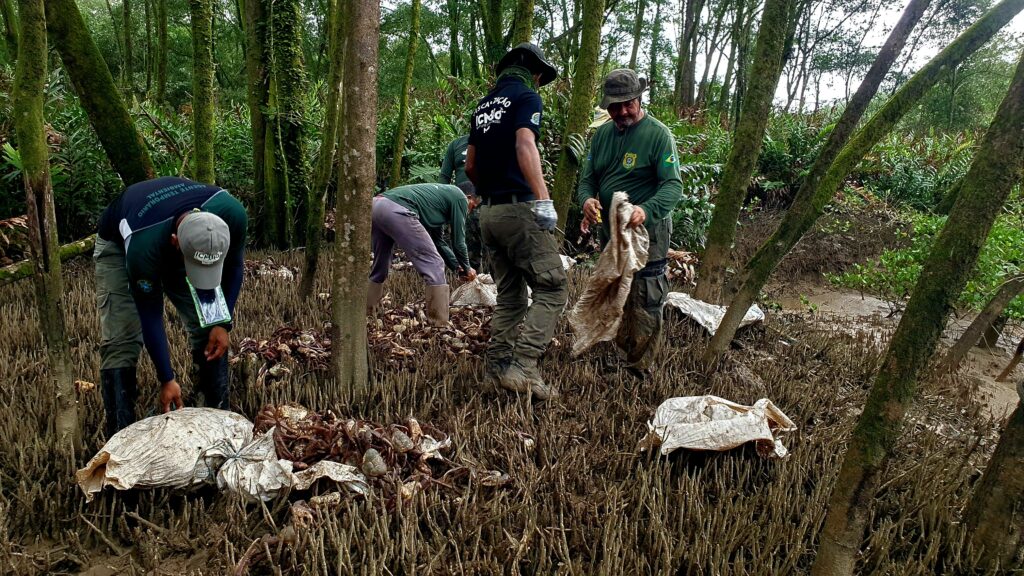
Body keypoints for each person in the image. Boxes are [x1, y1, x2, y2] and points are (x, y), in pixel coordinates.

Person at [94, 176, 248, 437]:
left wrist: (223, 323)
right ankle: (121, 436)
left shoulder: (232, 215)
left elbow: (234, 266)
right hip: (122, 246)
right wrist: (167, 378)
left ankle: (215, 417)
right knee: (121, 339)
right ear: (176, 242)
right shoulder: (143, 246)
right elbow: (150, 314)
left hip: (183, 239)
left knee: (208, 324)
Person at [466, 42, 566, 401]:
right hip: (520, 209)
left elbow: (470, 166)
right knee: (553, 288)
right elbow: (526, 145)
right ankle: (523, 367)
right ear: (534, 73)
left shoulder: (482, 107)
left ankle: (496, 368)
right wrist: (542, 198)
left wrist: (489, 193)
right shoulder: (526, 98)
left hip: (489, 213)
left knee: (510, 296)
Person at [577, 69, 683, 376]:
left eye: (628, 104)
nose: (622, 111)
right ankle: (623, 352)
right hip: (613, 235)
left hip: (647, 234)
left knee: (646, 298)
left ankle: (640, 367)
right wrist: (586, 200)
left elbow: (672, 185)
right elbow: (588, 180)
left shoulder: (658, 134)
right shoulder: (602, 136)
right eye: (615, 105)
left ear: (639, 100)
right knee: (617, 294)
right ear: (607, 107)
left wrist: (645, 210)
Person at [367, 182, 479, 325]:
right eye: (473, 205)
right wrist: (468, 267)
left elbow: (439, 242)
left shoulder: (438, 203)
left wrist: (458, 267)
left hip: (376, 205)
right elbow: (458, 241)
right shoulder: (460, 198)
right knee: (434, 263)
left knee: (381, 263)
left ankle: (368, 313)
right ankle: (439, 322)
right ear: (469, 197)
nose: (471, 210)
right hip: (397, 210)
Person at [439, 134, 484, 272]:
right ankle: (473, 283)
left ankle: (495, 284)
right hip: (463, 198)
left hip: (487, 195)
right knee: (468, 246)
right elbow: (444, 176)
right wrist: (442, 201)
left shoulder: (491, 137)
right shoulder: (456, 144)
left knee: (493, 248)